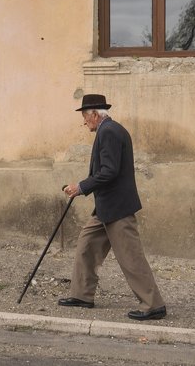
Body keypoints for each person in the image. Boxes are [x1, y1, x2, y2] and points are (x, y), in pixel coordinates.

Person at [58, 93, 167, 320]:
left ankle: (153, 305)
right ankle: (82, 295)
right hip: (106, 207)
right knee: (86, 245)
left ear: (95, 115)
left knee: (130, 257)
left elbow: (109, 171)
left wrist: (81, 187)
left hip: (117, 208)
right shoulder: (109, 130)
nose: (84, 122)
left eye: (85, 117)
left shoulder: (108, 131)